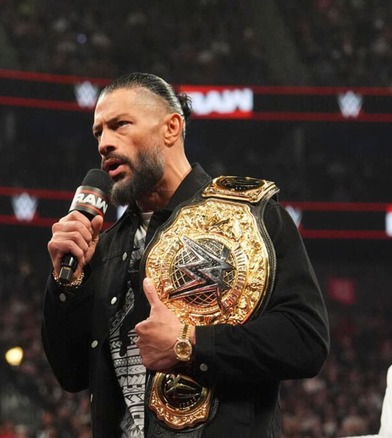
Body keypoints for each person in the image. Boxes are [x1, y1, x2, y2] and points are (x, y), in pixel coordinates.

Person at [42, 72, 329, 437]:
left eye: (120, 126)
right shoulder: (103, 247)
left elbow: (306, 341)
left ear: (171, 128)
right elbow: (71, 374)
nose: (104, 144)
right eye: (99, 132)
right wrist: (66, 283)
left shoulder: (251, 215)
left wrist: (191, 344)